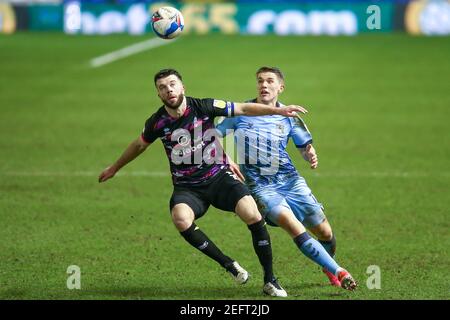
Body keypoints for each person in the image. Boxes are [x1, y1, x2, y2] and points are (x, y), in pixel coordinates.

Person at [98, 68, 308, 297]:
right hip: (188, 187)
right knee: (180, 218)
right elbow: (139, 145)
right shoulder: (156, 122)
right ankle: (229, 264)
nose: (169, 90)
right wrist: (114, 168)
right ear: (158, 94)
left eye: (172, 84)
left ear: (182, 87)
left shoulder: (204, 106)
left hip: (219, 178)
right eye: (162, 87)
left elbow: (243, 108)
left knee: (252, 213)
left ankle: (270, 280)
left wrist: (279, 110)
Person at [216, 66, 357, 291]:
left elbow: (303, 145)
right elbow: (211, 136)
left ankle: (327, 266)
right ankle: (340, 270)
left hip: (291, 181)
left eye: (270, 81)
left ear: (280, 87)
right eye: (260, 81)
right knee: (294, 227)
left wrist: (309, 153)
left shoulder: (289, 116)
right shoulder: (241, 112)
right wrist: (224, 159)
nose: (264, 85)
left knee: (325, 233)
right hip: (261, 188)